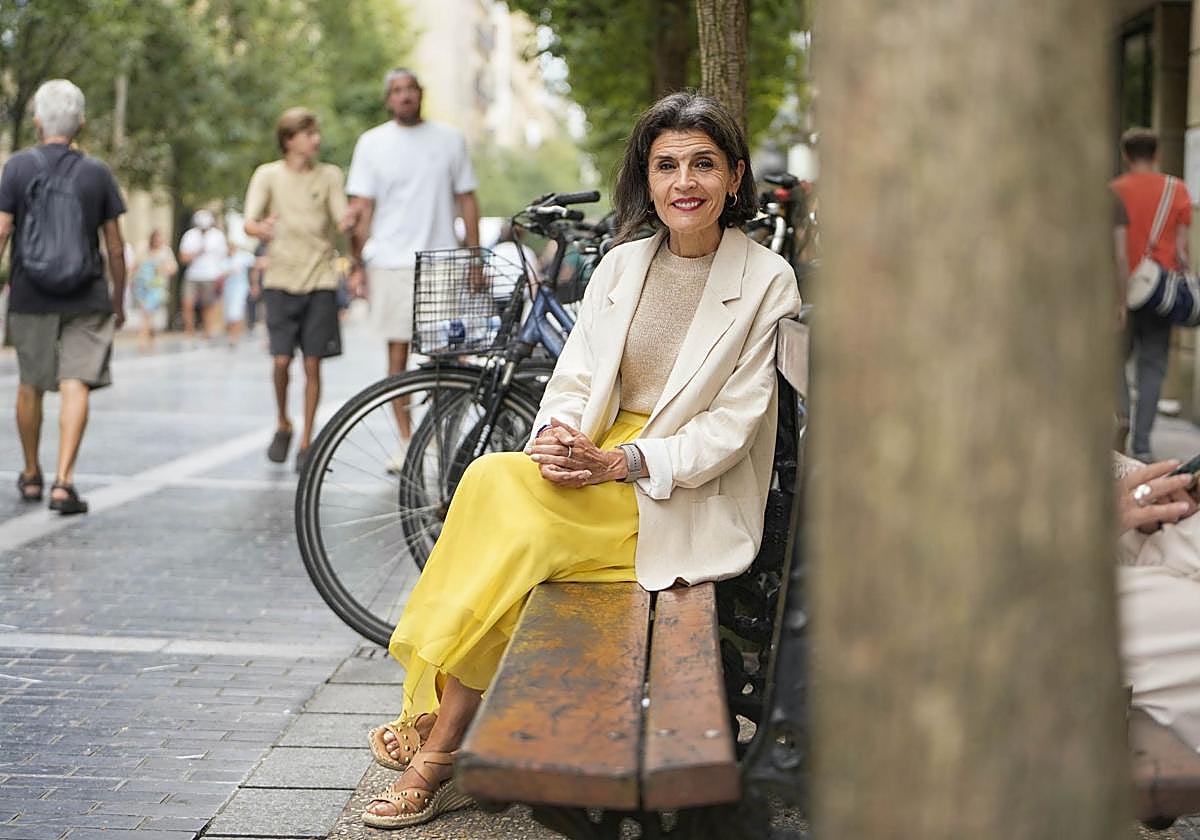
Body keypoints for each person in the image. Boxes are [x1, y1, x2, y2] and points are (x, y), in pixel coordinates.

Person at [358, 92, 801, 828]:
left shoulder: (765, 280)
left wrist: (620, 462)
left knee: (521, 534)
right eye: (666, 166)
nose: (683, 182)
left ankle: (435, 739)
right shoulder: (624, 265)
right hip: (599, 462)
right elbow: (574, 376)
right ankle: (442, 738)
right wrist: (559, 439)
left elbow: (732, 429)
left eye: (702, 164)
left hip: (679, 488)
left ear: (734, 177)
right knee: (496, 478)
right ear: (646, 178)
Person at [0, 79, 126, 514]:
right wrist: (119, 299)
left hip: (30, 291)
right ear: (81, 123)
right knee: (76, 383)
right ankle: (64, 482)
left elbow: (1, 231)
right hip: (85, 293)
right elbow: (113, 245)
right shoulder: (97, 173)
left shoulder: (16, 168)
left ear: (37, 121)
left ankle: (32, 473)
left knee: (31, 383)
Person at [346, 68, 480, 446]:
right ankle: (407, 445)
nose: (404, 96)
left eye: (410, 89)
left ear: (420, 94)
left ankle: (439, 441)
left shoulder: (450, 139)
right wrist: (356, 264)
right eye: (396, 90)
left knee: (447, 359)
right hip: (390, 264)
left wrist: (474, 259)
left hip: (442, 262)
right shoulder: (371, 143)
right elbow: (361, 206)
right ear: (388, 99)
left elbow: (467, 199)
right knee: (397, 357)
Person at [244, 107, 350, 470]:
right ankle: (283, 422)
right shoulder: (268, 175)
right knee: (281, 361)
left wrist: (354, 219)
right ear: (289, 140)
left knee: (313, 363)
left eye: (315, 132)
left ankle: (306, 440)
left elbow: (341, 220)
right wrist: (259, 229)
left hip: (320, 278)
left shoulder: (330, 176)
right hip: (281, 279)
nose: (316, 139)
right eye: (308, 133)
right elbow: (249, 221)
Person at [1112, 127, 1193, 462]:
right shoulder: (1177, 190)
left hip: (1120, 292)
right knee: (1153, 366)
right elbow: (1184, 250)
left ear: (1126, 155)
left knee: (1113, 361)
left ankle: (1122, 418)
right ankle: (1142, 445)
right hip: (1159, 294)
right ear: (1156, 154)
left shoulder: (1113, 191)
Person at [178, 209, 228, 340]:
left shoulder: (217, 236)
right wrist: (196, 252)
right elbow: (183, 257)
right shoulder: (190, 235)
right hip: (193, 275)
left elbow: (223, 258)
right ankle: (189, 330)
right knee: (187, 302)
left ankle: (207, 331)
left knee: (208, 304)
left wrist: (221, 274)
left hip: (210, 275)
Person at [131, 229, 177, 350]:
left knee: (147, 313)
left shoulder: (166, 251)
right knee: (146, 314)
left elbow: (173, 268)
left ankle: (142, 339)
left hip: (156, 288)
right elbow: (134, 265)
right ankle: (148, 335)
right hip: (142, 285)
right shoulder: (143, 247)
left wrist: (162, 271)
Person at [222, 239, 256, 346]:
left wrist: (254, 284)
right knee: (228, 313)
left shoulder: (243, 257)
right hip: (227, 289)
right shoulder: (223, 258)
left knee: (236, 311)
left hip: (240, 288)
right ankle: (231, 334)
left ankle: (234, 336)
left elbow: (255, 264)